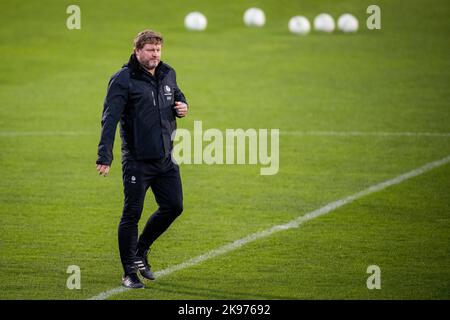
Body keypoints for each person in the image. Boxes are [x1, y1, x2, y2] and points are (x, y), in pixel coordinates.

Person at [96, 30, 188, 288]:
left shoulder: (168, 72)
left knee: (174, 206)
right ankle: (129, 273)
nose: (155, 55)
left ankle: (140, 251)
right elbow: (110, 118)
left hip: (165, 159)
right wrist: (105, 155)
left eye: (158, 50)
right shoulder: (123, 79)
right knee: (132, 214)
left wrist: (183, 105)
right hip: (137, 161)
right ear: (137, 51)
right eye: (150, 50)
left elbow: (176, 95)